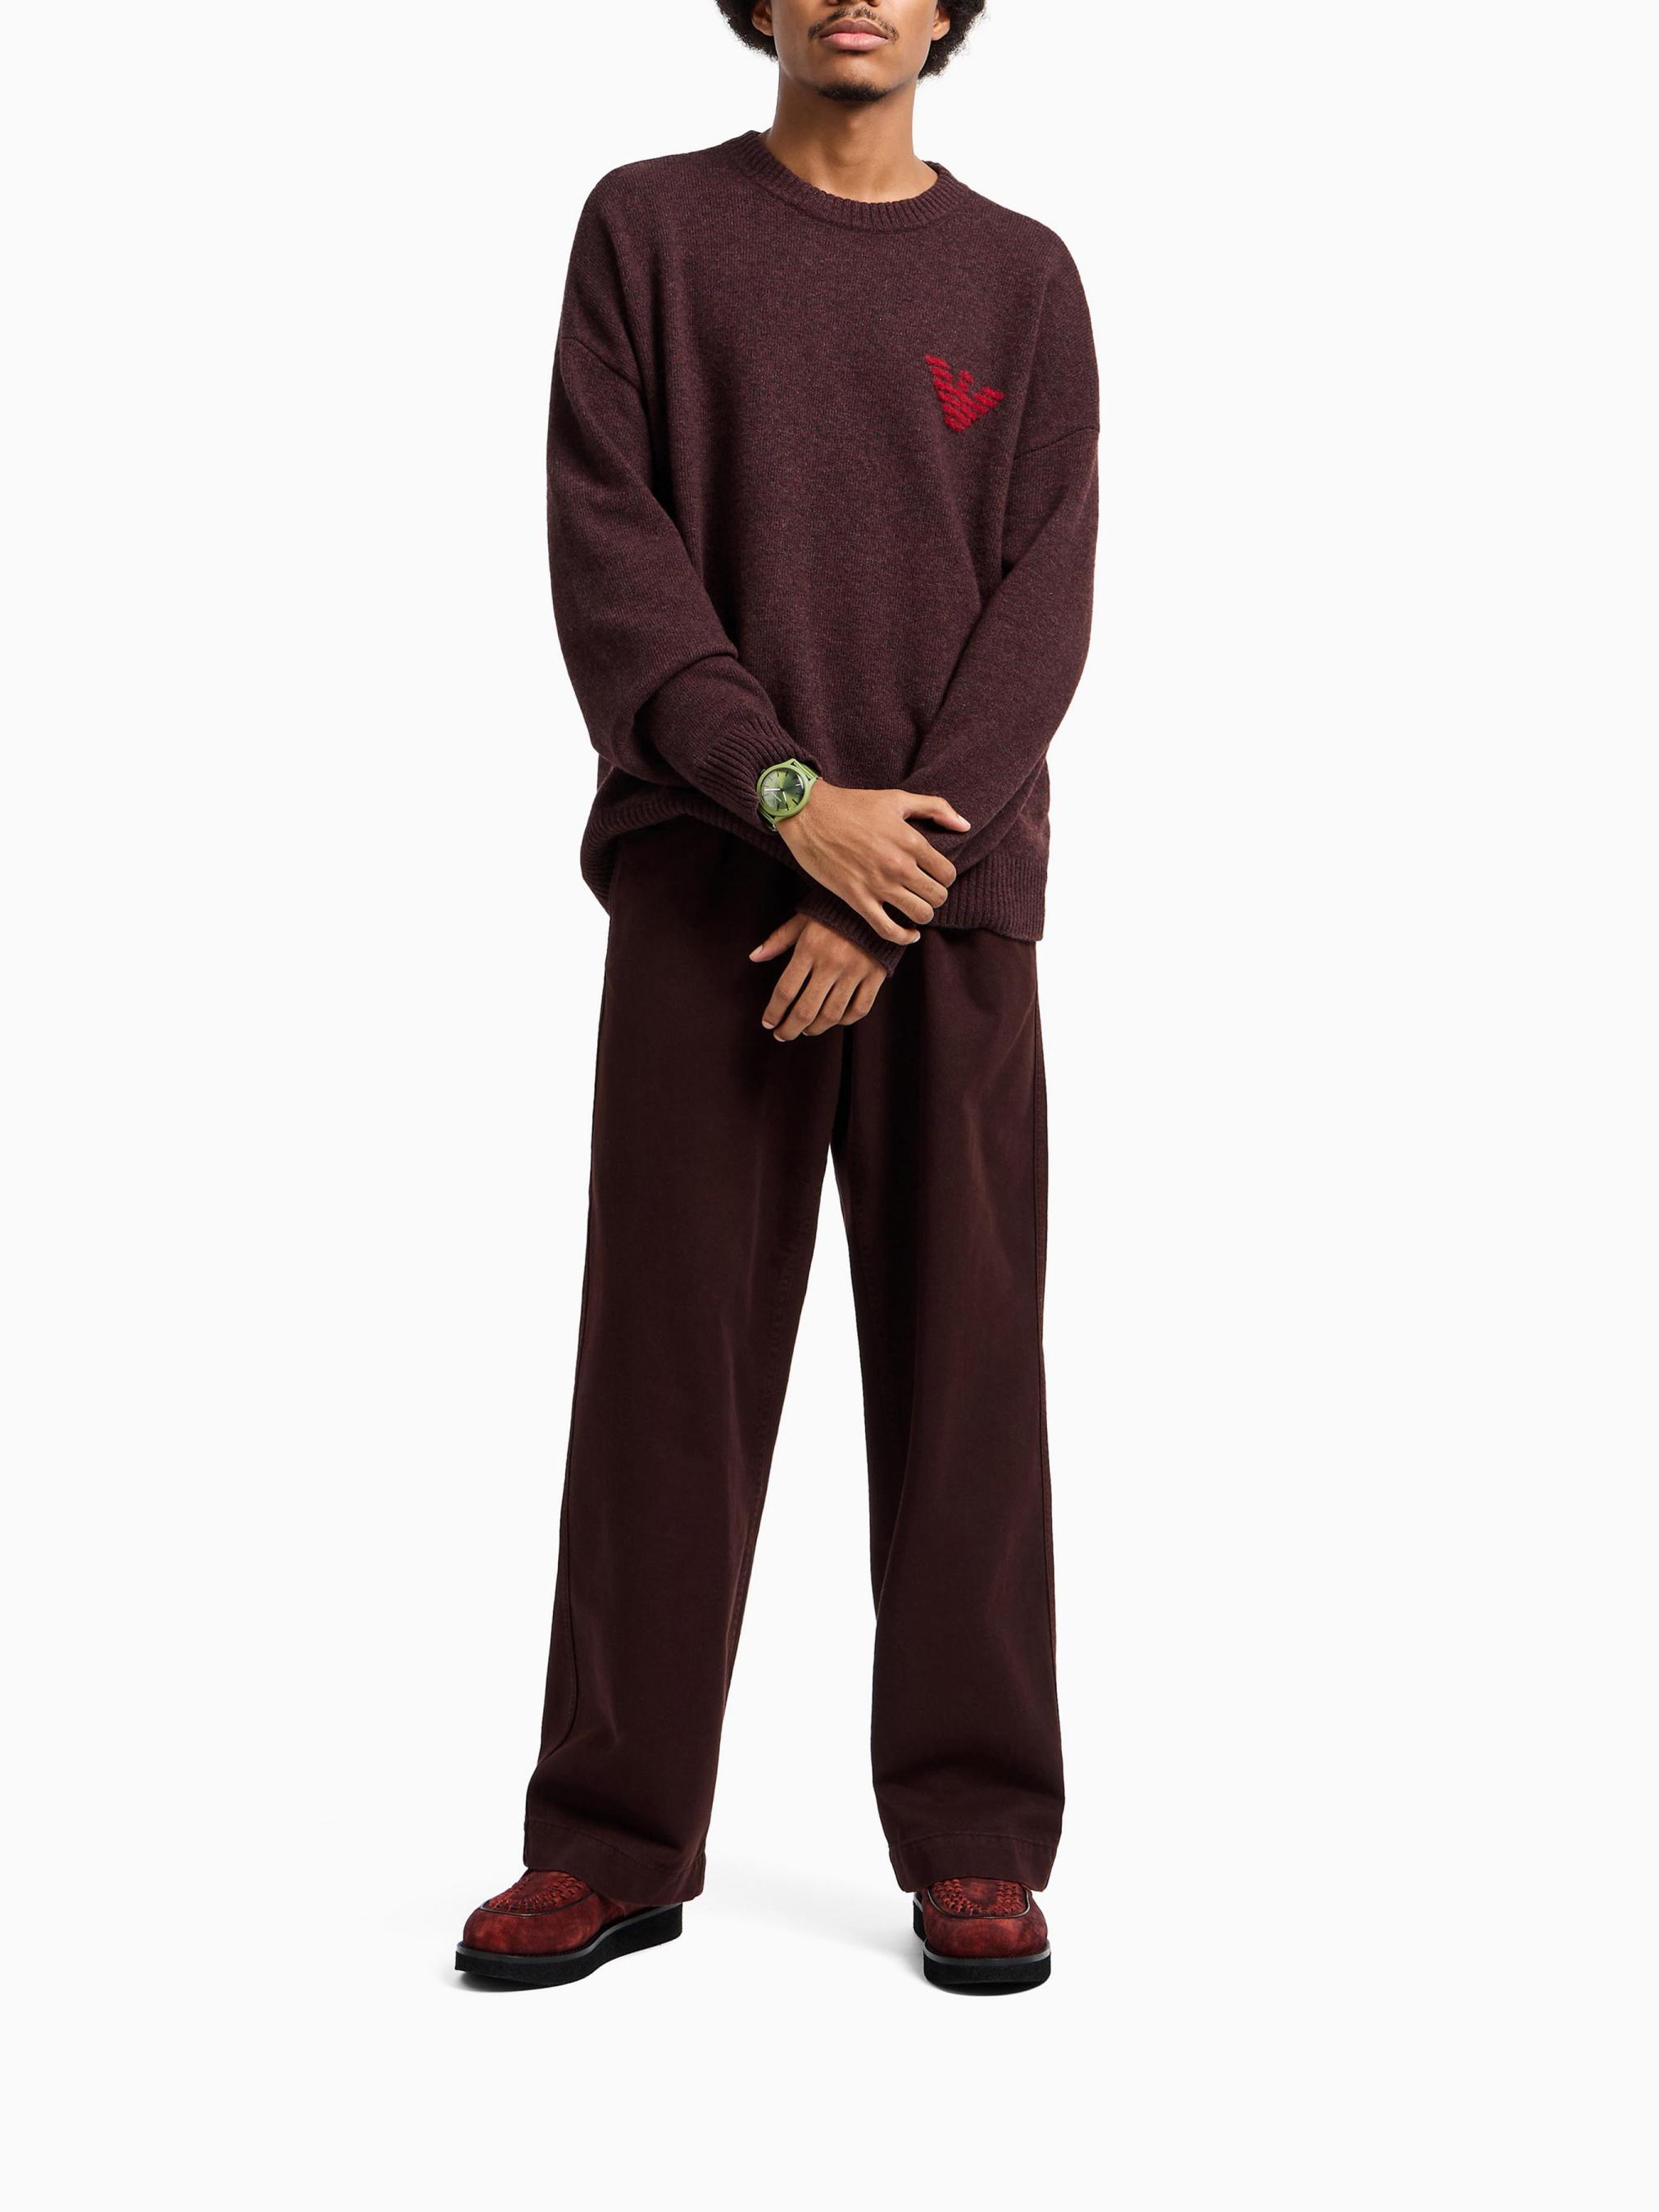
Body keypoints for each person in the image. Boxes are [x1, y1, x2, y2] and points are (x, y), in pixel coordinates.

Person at [455, 0, 1097, 1995]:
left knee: (965, 1374)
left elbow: (1042, 607)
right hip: (710, 893)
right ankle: (610, 1840)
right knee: (664, 1372)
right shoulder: (646, 231)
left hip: (944, 909)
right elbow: (612, 560)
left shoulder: (1020, 278)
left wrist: (890, 884)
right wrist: (790, 807)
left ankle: (976, 1841)